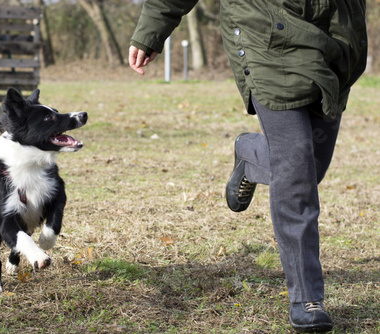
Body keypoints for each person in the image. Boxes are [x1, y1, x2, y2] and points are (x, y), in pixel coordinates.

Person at [128, 0, 368, 332]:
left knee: (310, 166)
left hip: (335, 35)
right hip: (267, 32)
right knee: (297, 172)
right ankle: (307, 297)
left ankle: (250, 155)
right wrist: (151, 31)